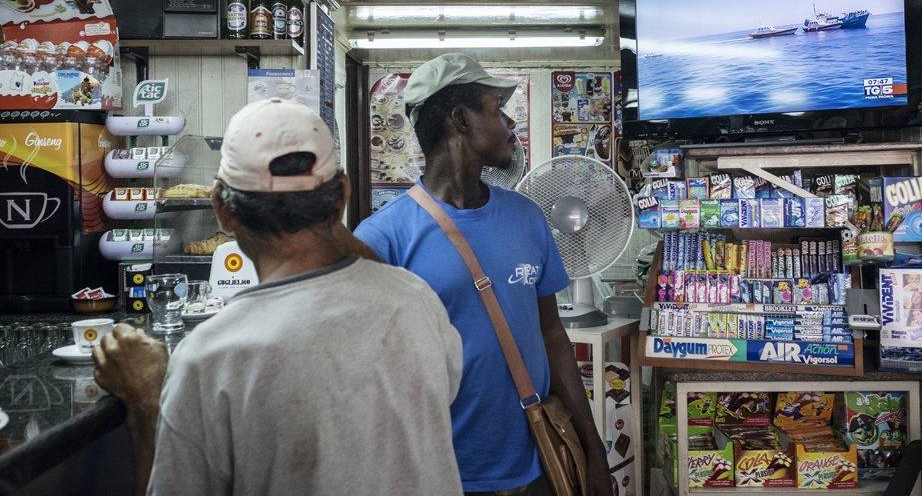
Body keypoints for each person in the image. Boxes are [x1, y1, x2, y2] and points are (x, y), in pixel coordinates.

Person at [94, 98, 464, 496]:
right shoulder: (416, 302)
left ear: (221, 209)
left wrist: (147, 400)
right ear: (343, 195)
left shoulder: (210, 357)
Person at [354, 53, 613, 496]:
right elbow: (368, 379)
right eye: (497, 109)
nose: (511, 124)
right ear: (461, 120)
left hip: (540, 465)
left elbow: (552, 336)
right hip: (439, 474)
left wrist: (593, 452)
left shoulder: (528, 218)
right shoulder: (383, 238)